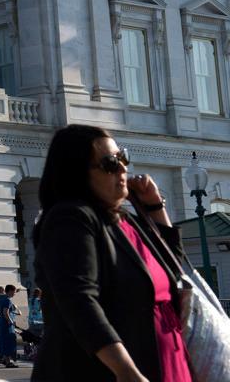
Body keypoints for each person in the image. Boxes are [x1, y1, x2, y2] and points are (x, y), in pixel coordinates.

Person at [32, 124, 192, 382]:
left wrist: (154, 206)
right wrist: (126, 371)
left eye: (122, 158)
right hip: (105, 372)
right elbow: (79, 301)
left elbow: (174, 272)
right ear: (77, 172)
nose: (122, 168)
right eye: (109, 163)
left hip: (165, 363)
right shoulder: (71, 218)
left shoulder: (124, 219)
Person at [0, 284, 20, 368]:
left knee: (4, 342)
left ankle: (4, 359)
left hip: (2, 323)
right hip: (7, 324)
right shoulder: (8, 300)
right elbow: (5, 313)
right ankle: (8, 361)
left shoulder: (2, 299)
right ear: (10, 291)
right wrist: (11, 322)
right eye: (14, 292)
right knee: (9, 342)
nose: (14, 293)